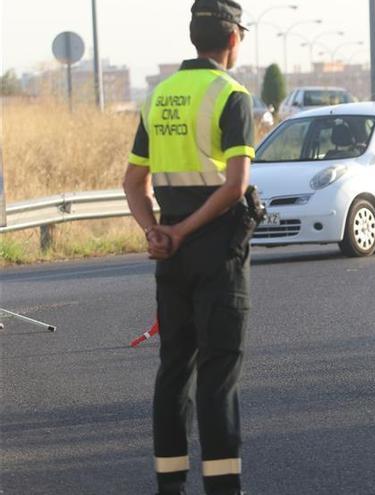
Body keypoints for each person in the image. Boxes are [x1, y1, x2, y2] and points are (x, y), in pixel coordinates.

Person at [122, 1, 255, 493]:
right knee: (219, 371)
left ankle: (170, 484)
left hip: (171, 254)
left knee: (174, 367)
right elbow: (235, 185)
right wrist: (183, 231)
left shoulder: (159, 96)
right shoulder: (230, 94)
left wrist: (156, 230)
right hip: (216, 249)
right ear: (233, 39)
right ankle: (223, 487)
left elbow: (133, 182)